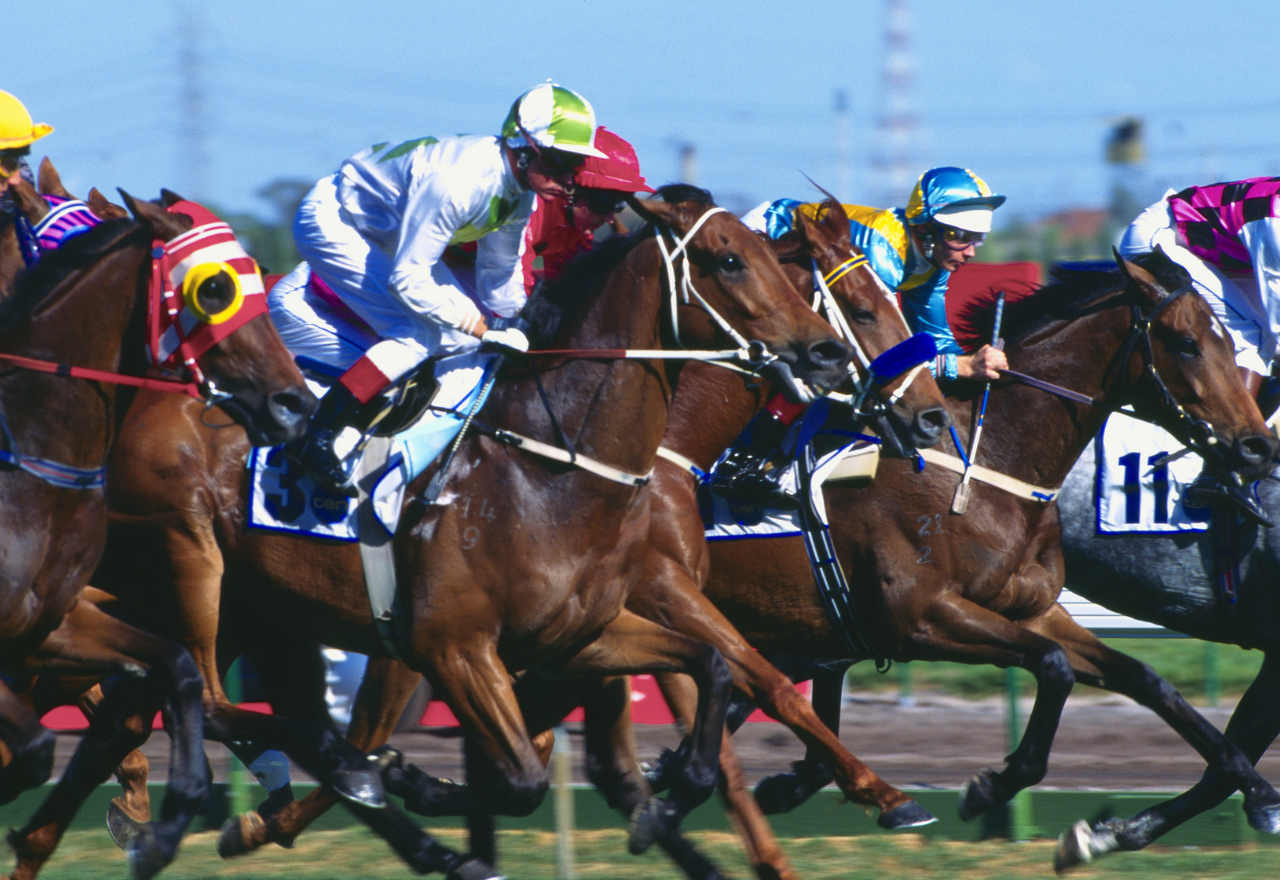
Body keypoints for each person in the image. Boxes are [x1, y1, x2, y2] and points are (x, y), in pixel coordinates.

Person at [275, 82, 610, 493]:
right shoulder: (460, 183)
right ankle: (317, 436)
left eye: (575, 165)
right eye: (559, 162)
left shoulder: (519, 195)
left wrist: (523, 330)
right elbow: (409, 281)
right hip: (334, 222)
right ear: (523, 147)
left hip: (381, 232)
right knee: (418, 334)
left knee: (461, 337)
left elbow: (499, 276)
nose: (567, 179)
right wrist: (488, 332)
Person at [713, 166, 1007, 506]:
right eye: (959, 236)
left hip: (809, 258)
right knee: (829, 362)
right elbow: (874, 356)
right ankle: (742, 459)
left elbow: (936, 340)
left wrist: (975, 365)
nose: (971, 251)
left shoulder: (933, 258)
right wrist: (957, 368)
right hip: (765, 238)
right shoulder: (882, 254)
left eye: (977, 238)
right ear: (925, 228)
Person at [1119, 178, 1280, 403]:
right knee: (1257, 337)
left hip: (1213, 250)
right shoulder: (1276, 220)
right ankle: (1242, 434)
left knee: (1266, 344)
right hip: (1159, 237)